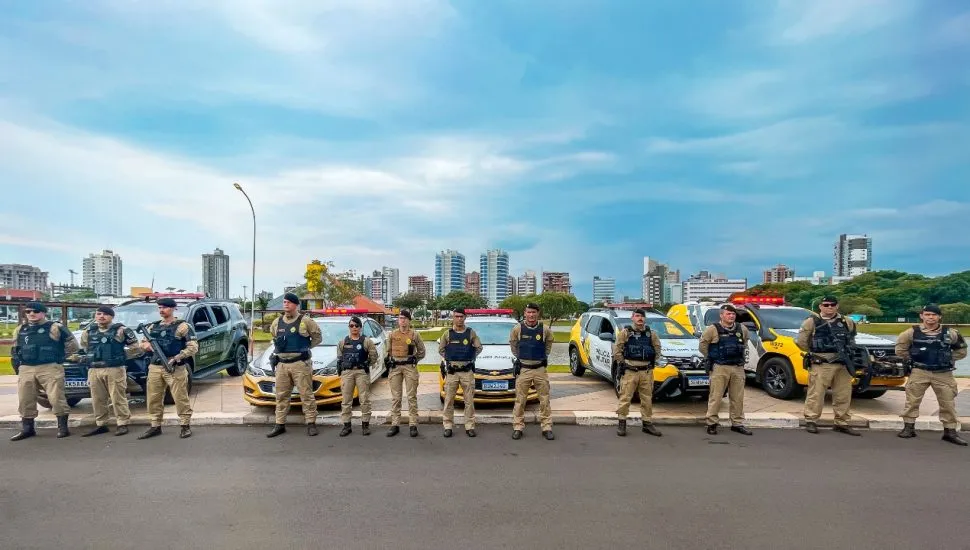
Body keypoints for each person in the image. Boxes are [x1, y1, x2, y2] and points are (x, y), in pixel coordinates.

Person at [894, 304, 968, 446]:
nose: (930, 317)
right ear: (922, 316)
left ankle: (950, 431)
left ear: (939, 317)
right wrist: (915, 358)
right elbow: (900, 350)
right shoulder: (910, 333)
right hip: (919, 371)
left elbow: (962, 351)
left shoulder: (951, 333)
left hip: (943, 373)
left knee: (948, 403)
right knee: (912, 401)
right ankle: (908, 428)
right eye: (927, 314)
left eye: (934, 315)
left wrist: (946, 357)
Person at [9, 301, 80, 441]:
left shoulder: (55, 327)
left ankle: (62, 427)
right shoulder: (20, 329)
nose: (31, 314)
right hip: (27, 367)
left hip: (49, 367)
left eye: (35, 311)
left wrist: (60, 358)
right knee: (25, 398)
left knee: (56, 397)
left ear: (43, 313)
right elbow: (15, 349)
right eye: (28, 312)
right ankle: (28, 428)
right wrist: (19, 365)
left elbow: (72, 346)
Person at [797, 296, 860, 436]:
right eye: (826, 305)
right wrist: (816, 353)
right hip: (822, 363)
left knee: (843, 394)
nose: (829, 307)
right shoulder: (811, 322)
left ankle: (842, 422)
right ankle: (811, 420)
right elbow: (802, 342)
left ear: (837, 306)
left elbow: (851, 339)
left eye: (833, 305)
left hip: (843, 364)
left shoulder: (847, 322)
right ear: (820, 306)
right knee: (816, 393)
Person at [71, 305, 138, 437]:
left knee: (118, 397)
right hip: (95, 369)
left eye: (105, 314)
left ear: (111, 317)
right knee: (97, 399)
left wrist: (121, 358)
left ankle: (122, 423)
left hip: (114, 369)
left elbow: (135, 348)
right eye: (99, 314)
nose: (101, 316)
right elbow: (85, 348)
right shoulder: (89, 332)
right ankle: (101, 424)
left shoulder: (121, 330)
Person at [137, 297, 199, 440]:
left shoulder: (183, 326)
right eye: (159, 307)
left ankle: (185, 425)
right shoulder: (153, 327)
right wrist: (149, 347)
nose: (161, 310)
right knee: (153, 397)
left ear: (172, 309)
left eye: (164, 307)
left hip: (175, 367)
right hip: (155, 366)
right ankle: (155, 426)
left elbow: (193, 347)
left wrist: (178, 357)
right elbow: (143, 344)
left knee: (180, 397)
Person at [266, 293, 324, 438]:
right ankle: (279, 424)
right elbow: (274, 338)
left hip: (300, 363)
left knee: (306, 394)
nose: (286, 304)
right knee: (281, 396)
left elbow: (317, 337)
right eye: (284, 302)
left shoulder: (306, 321)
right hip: (282, 365)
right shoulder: (276, 322)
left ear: (296, 304)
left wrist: (305, 348)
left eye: (289, 302)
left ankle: (311, 423)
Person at [700, 304, 752, 435]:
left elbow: (744, 344)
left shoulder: (742, 329)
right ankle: (712, 423)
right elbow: (703, 346)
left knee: (737, 397)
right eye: (728, 314)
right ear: (721, 315)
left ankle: (737, 423)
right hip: (720, 367)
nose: (731, 316)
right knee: (716, 397)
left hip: (737, 368)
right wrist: (711, 358)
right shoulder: (712, 329)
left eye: (733, 314)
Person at [613, 308, 663, 437]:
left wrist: (652, 363)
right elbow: (617, 350)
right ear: (632, 318)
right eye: (637, 316)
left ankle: (647, 423)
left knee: (647, 399)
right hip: (630, 371)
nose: (640, 318)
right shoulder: (625, 333)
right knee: (625, 398)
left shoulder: (651, 334)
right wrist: (623, 363)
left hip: (646, 371)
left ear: (645, 319)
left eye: (642, 316)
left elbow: (657, 349)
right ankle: (622, 423)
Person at [509, 302, 555, 440]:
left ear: (538, 314)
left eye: (533, 312)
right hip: (524, 369)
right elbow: (513, 345)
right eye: (528, 312)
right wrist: (521, 358)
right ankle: (518, 426)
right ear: (525, 313)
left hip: (540, 369)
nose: (531, 315)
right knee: (520, 400)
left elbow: (549, 344)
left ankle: (546, 427)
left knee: (544, 399)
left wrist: (543, 356)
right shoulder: (518, 329)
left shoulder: (545, 329)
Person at [438, 307, 483, 438]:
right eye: (456, 316)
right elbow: (441, 349)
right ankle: (447, 425)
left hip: (467, 371)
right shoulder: (447, 334)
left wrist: (470, 357)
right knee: (449, 400)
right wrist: (450, 358)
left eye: (461, 316)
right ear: (453, 317)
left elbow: (479, 347)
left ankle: (469, 426)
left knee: (469, 400)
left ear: (465, 318)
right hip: (452, 372)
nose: (459, 319)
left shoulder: (470, 333)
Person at [386, 310, 426, 437]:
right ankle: (395, 424)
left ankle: (413, 424)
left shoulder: (414, 335)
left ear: (409, 320)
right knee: (396, 398)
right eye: (400, 318)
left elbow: (422, 351)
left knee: (411, 397)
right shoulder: (392, 334)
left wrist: (414, 360)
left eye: (404, 318)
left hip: (409, 367)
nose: (402, 320)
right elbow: (388, 352)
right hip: (395, 367)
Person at [336, 316, 378, 437]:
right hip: (347, 373)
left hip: (361, 372)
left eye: (356, 325)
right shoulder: (343, 342)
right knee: (346, 400)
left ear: (360, 327)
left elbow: (374, 357)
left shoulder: (366, 341)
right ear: (349, 327)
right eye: (351, 325)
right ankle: (346, 425)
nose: (354, 328)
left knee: (364, 399)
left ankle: (365, 425)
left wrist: (365, 365)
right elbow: (339, 358)